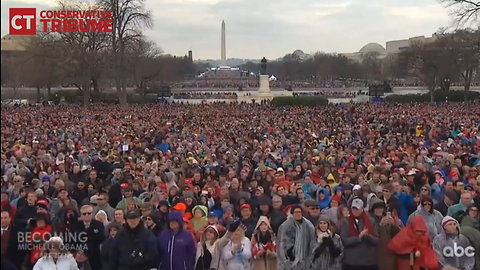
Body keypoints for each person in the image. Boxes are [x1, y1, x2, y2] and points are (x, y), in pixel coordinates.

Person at [339, 198, 378, 270]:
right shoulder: (346, 221)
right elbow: (344, 240)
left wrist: (367, 236)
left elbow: (376, 240)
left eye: (357, 209)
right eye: (353, 209)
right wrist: (358, 237)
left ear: (362, 209)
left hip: (368, 261)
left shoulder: (371, 221)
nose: (355, 211)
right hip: (351, 261)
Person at [277, 205, 315, 270]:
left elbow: (312, 240)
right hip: (290, 258)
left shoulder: (309, 225)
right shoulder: (285, 226)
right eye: (296, 212)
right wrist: (289, 251)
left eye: (299, 212)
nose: (298, 214)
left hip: (305, 257)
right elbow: (282, 242)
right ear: (292, 213)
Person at [71, 204, 105, 270]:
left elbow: (101, 238)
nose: (87, 215)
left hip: (95, 255)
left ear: (92, 214)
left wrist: (89, 237)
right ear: (81, 215)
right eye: (84, 214)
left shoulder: (98, 224)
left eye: (89, 213)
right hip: (80, 254)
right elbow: (73, 239)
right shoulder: (75, 225)